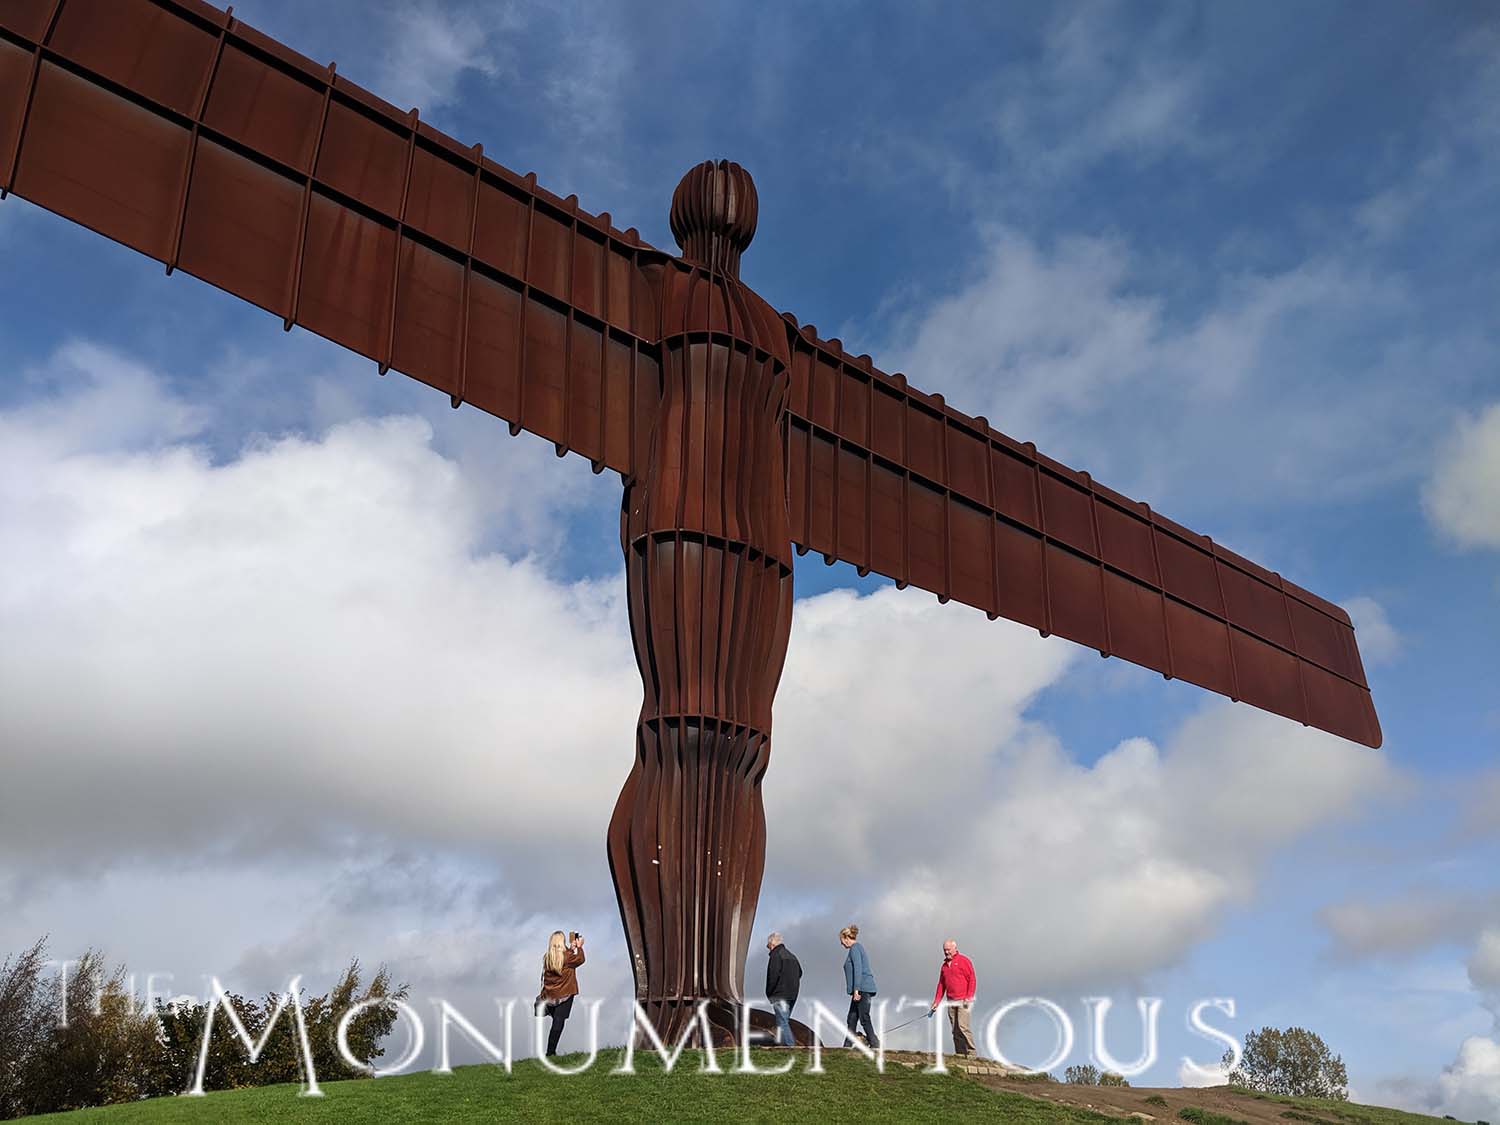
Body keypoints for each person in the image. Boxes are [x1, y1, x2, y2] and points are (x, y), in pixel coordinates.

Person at [536, 930, 585, 1056]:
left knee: (556, 1022)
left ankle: (550, 1052)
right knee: (558, 1023)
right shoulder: (567, 958)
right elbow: (580, 960)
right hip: (565, 995)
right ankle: (550, 1052)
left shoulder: (548, 957)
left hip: (551, 996)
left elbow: (563, 958)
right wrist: (579, 947)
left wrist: (571, 948)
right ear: (561, 943)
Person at [929, 938, 977, 1056]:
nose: (946, 952)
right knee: (955, 1029)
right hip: (950, 1001)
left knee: (962, 1026)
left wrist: (969, 996)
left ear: (955, 949)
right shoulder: (944, 966)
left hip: (963, 1000)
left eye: (948, 950)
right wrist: (936, 1002)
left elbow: (972, 979)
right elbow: (941, 985)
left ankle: (971, 1052)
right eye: (944, 950)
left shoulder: (963, 961)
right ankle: (960, 1053)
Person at [839, 924, 879, 1049]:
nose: (842, 944)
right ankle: (847, 1045)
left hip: (862, 989)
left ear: (846, 938)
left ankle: (875, 1044)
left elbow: (858, 969)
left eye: (842, 941)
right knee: (851, 1018)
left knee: (864, 1017)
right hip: (860, 989)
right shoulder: (856, 948)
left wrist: (856, 990)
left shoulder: (855, 948)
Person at [765, 932, 802, 1046]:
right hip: (793, 994)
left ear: (772, 943)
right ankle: (782, 1046)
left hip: (780, 994)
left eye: (768, 945)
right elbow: (800, 972)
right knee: (783, 1021)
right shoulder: (792, 956)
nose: (768, 949)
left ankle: (791, 1048)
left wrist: (769, 993)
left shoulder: (775, 955)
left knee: (782, 1022)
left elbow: (773, 976)